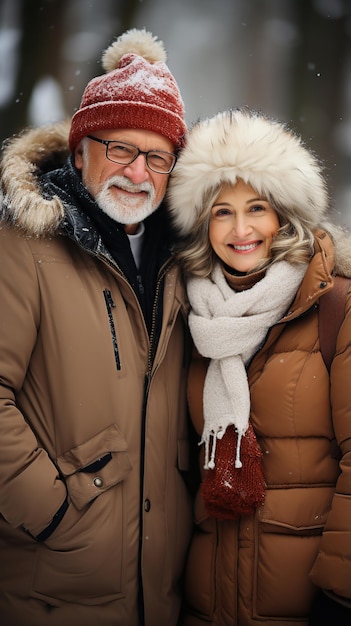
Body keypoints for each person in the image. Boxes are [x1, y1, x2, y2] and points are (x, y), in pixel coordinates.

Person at [0, 28, 193, 626]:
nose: (138, 172)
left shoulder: (182, 259)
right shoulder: (23, 244)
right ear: (80, 148)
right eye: (119, 149)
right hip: (54, 586)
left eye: (157, 156)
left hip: (160, 590)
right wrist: (54, 510)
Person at [167, 107, 351, 626]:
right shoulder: (190, 317)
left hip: (306, 600)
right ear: (203, 223)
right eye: (222, 211)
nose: (241, 229)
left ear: (285, 215)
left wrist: (341, 595)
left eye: (257, 208)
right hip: (208, 601)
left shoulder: (336, 307)